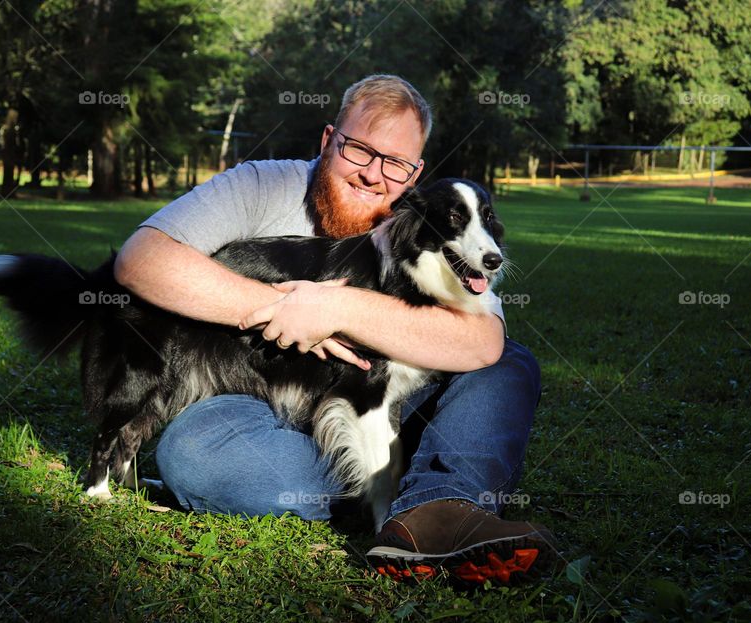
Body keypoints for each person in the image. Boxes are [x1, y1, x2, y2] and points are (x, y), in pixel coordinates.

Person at [113, 74, 557, 583]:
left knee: (507, 366)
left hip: (388, 399)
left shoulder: (426, 220)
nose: (373, 175)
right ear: (328, 141)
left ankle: (440, 511)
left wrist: (339, 309)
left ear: (415, 174)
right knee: (194, 455)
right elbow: (142, 261)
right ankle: (406, 489)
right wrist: (274, 307)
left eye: (395, 163)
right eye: (359, 150)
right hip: (255, 400)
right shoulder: (261, 185)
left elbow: (483, 341)